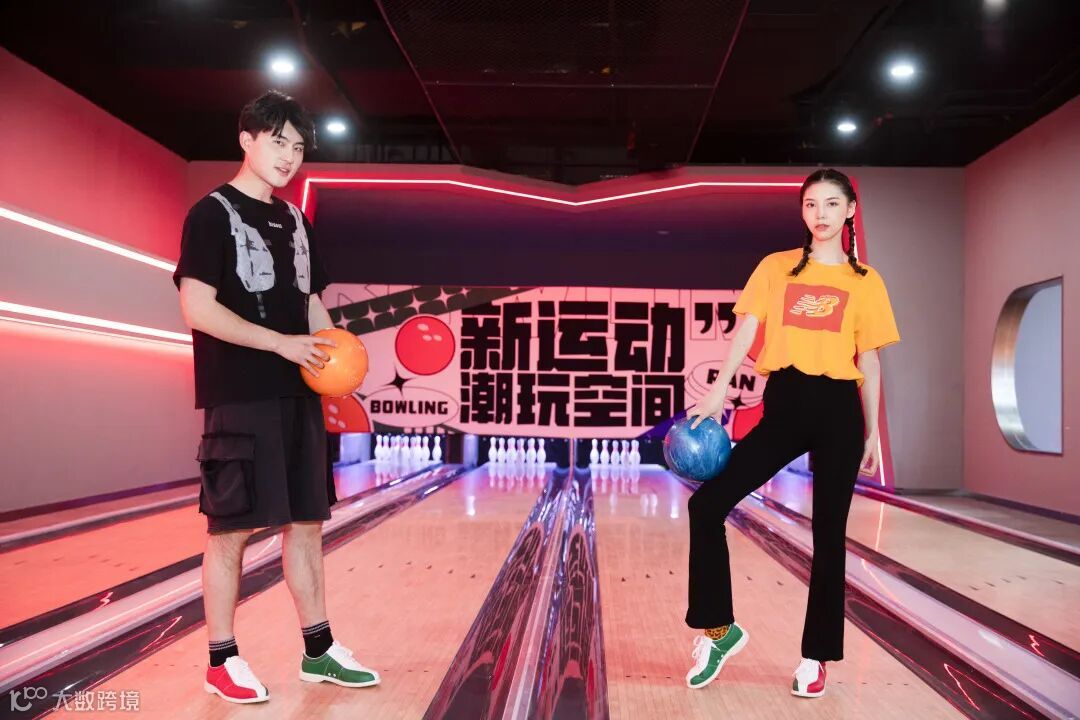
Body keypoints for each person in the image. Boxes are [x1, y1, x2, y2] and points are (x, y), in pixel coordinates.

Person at [174, 90, 380, 704]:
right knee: (231, 532)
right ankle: (221, 660)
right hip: (240, 397)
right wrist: (281, 345)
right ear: (247, 140)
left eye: (298, 146)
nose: (289, 156)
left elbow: (310, 302)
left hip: (298, 397)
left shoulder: (295, 221)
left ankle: (319, 651)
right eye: (277, 141)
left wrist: (334, 356)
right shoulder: (210, 215)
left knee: (307, 526)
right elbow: (197, 308)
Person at [683, 169, 900, 697]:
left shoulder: (866, 281)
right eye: (810, 205)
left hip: (839, 411)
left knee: (828, 537)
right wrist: (717, 393)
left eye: (831, 204)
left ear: (850, 210)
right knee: (706, 506)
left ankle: (815, 657)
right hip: (785, 404)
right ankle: (719, 631)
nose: (820, 215)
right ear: (802, 211)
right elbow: (746, 332)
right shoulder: (775, 267)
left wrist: (872, 432)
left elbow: (869, 360)